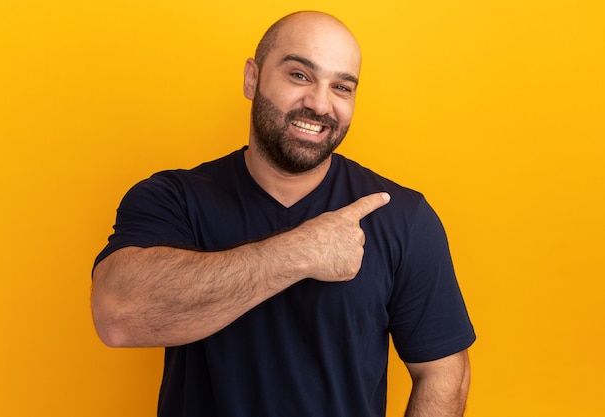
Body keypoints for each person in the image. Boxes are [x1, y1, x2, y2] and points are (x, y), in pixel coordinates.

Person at [91, 10, 476, 417]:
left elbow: (445, 371)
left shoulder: (401, 217)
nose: (320, 103)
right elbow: (117, 316)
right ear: (252, 78)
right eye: (300, 76)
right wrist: (301, 252)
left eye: (342, 87)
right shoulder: (174, 199)